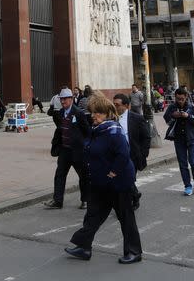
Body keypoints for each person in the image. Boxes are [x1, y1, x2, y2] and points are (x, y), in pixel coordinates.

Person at [65, 92, 142, 265]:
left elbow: (123, 155)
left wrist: (112, 173)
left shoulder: (113, 131)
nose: (93, 116)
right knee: (92, 216)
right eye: (92, 112)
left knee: (126, 218)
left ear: (107, 113)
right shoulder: (97, 130)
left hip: (119, 184)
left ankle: (134, 252)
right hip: (100, 184)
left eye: (97, 113)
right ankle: (84, 247)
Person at [44, 88, 90, 209]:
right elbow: (59, 130)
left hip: (78, 151)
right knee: (59, 175)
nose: (63, 101)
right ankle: (57, 201)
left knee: (83, 176)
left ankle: (85, 200)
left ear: (71, 99)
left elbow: (87, 132)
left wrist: (85, 146)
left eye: (65, 99)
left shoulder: (79, 113)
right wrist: (56, 144)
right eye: (61, 99)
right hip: (65, 150)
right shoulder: (59, 113)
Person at [112, 94, 150, 210]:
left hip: (132, 155)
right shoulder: (111, 118)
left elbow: (146, 137)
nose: (115, 107)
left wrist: (143, 153)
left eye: (117, 105)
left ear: (126, 106)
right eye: (114, 104)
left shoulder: (137, 118)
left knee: (128, 178)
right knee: (121, 178)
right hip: (116, 155)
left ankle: (129, 201)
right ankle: (134, 195)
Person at [163, 88, 194, 196]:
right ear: (175, 97)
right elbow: (166, 119)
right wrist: (173, 115)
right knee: (183, 164)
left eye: (182, 99)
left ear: (186, 97)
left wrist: (188, 116)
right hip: (179, 139)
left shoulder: (191, 106)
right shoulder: (172, 107)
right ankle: (187, 186)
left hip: (192, 138)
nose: (180, 101)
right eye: (178, 99)